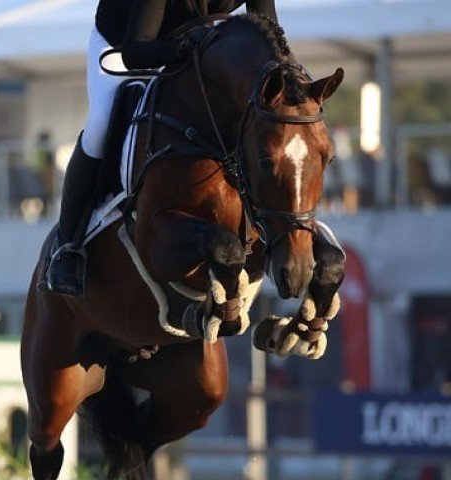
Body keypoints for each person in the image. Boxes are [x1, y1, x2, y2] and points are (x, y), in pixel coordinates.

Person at [46, 0, 279, 297]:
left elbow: (268, 36)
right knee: (100, 124)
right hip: (124, 45)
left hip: (196, 45)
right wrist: (184, 48)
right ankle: (68, 246)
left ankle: (274, 224)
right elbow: (135, 52)